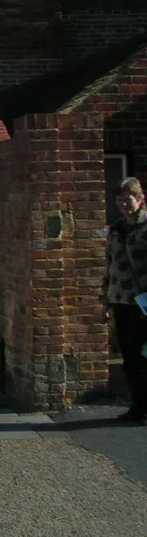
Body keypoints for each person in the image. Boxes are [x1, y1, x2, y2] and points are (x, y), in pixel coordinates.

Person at [104, 177, 147, 424]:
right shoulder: (117, 229)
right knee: (130, 358)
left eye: (127, 200)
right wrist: (105, 302)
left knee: (143, 357)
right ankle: (138, 406)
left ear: (140, 199)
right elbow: (109, 268)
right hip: (121, 301)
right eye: (119, 201)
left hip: (143, 302)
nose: (123, 205)